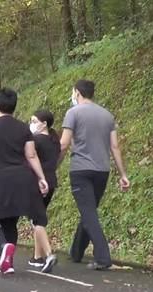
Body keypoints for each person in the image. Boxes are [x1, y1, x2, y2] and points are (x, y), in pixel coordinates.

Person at [0, 88, 49, 275]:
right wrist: (41, 178)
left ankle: (3, 246)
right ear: (14, 106)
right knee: (9, 222)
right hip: (22, 180)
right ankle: (8, 263)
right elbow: (31, 155)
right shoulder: (23, 128)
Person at [59, 79, 130, 270]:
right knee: (88, 211)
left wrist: (53, 167)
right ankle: (76, 252)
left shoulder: (73, 112)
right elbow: (114, 146)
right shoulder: (107, 115)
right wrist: (123, 174)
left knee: (88, 213)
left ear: (77, 93)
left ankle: (103, 258)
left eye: (73, 92)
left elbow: (64, 144)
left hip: (81, 170)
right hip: (102, 171)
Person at [27, 110, 60, 272]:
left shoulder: (36, 140)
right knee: (38, 218)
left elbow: (29, 158)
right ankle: (37, 257)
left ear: (44, 123)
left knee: (36, 220)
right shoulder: (55, 140)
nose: (31, 124)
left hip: (37, 183)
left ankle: (48, 254)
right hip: (51, 182)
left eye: (34, 121)